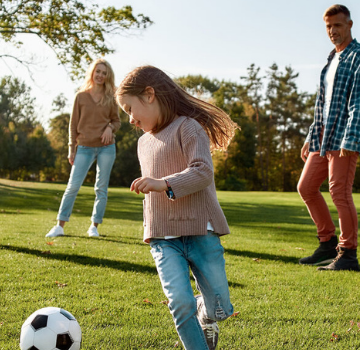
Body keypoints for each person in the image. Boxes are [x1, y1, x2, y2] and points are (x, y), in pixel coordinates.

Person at [119, 65, 238, 350]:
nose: (131, 119)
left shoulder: (188, 127)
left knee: (220, 307)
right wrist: (150, 229)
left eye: (130, 109)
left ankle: (205, 314)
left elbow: (202, 172)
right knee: (179, 304)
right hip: (164, 238)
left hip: (200, 230)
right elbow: (151, 193)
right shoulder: (142, 143)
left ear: (149, 95)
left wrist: (163, 183)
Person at [297, 4, 360, 271]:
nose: (332, 31)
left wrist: (351, 138)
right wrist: (310, 135)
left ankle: (348, 253)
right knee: (306, 187)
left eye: (338, 26)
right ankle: (327, 243)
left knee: (339, 192)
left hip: (343, 138)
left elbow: (359, 102)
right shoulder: (331, 59)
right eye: (328, 27)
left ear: (349, 25)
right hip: (322, 137)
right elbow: (322, 103)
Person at [46, 59, 122, 238]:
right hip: (84, 147)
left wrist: (110, 128)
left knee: (101, 188)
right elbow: (72, 125)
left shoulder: (111, 97)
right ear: (92, 73)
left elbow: (117, 121)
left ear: (108, 76)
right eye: (98, 72)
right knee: (72, 186)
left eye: (104, 73)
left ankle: (94, 226)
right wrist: (71, 148)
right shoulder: (81, 96)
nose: (101, 76)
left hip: (106, 148)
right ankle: (60, 225)